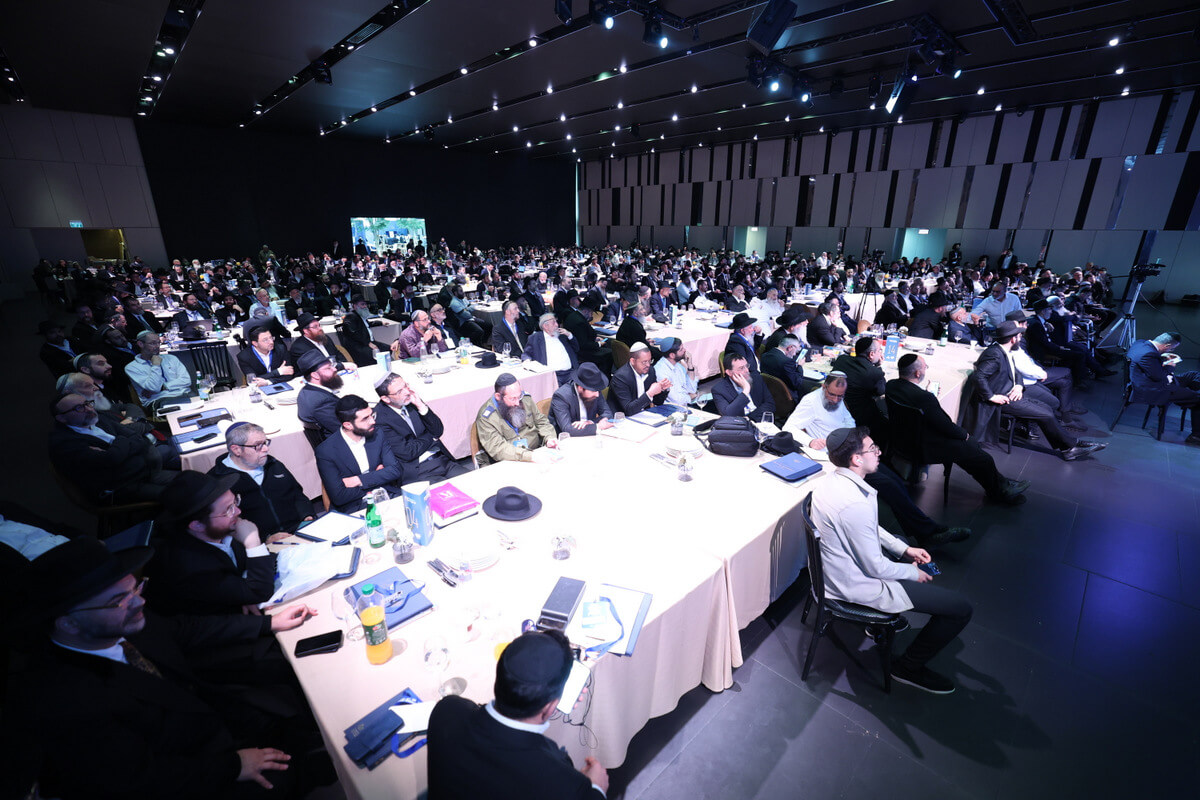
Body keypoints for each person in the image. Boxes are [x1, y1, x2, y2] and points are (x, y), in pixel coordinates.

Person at [9, 537, 324, 800]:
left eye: (136, 588)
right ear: (68, 623)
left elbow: (187, 629)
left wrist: (269, 623)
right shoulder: (63, 702)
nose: (139, 602)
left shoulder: (119, 622)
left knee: (293, 708)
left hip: (204, 719)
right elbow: (138, 781)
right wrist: (233, 766)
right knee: (281, 780)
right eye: (118, 600)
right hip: (190, 771)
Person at [810, 427, 974, 694]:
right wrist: (912, 573)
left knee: (898, 538)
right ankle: (907, 667)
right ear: (856, 459)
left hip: (837, 568)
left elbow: (867, 527)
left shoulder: (833, 480)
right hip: (853, 583)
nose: (878, 452)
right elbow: (874, 566)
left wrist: (904, 550)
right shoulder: (854, 503)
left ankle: (880, 625)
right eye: (872, 449)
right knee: (960, 608)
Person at [785, 374, 969, 546]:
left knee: (896, 480)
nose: (835, 400)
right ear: (824, 387)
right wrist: (810, 441)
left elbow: (848, 420)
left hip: (851, 450)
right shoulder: (810, 402)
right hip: (835, 459)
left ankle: (927, 530)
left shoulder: (837, 400)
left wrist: (851, 437)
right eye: (832, 395)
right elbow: (788, 428)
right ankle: (928, 533)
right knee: (889, 486)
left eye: (840, 396)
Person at [427, 629, 608, 799]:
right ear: (549, 708)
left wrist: (544, 706)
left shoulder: (447, 711)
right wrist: (597, 789)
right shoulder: (565, 784)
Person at [886, 354, 1030, 504]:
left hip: (903, 439)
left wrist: (927, 395)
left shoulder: (891, 386)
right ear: (917, 373)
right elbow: (945, 424)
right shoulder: (925, 398)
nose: (925, 370)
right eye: (924, 367)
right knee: (980, 455)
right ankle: (998, 492)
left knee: (971, 453)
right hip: (925, 446)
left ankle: (1001, 485)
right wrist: (964, 435)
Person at [146, 471, 280, 616]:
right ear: (197, 525)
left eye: (235, 502)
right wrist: (253, 544)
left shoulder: (221, 530)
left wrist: (241, 592)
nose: (238, 511)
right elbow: (260, 592)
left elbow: (249, 567)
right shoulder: (188, 565)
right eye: (228, 509)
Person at [973, 322, 1105, 461]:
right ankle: (1070, 448)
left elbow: (1016, 372)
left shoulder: (1006, 350)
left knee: (1047, 408)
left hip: (1012, 393)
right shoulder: (994, 354)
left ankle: (1070, 444)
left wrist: (1018, 386)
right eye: (1019, 336)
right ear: (1012, 339)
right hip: (1003, 399)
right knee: (1046, 414)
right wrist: (992, 396)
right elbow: (979, 377)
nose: (1021, 338)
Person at [49, 392, 179, 503]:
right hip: (122, 486)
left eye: (87, 403)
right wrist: (122, 441)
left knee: (184, 466)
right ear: (61, 418)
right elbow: (111, 459)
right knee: (179, 493)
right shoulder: (64, 444)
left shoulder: (97, 418)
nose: (88, 409)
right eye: (79, 408)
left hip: (143, 469)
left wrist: (117, 447)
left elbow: (137, 438)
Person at [208, 422, 314, 536]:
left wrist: (307, 515)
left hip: (298, 530)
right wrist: (264, 539)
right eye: (258, 445)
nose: (266, 449)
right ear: (236, 450)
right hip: (259, 541)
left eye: (265, 442)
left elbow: (297, 494)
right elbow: (223, 527)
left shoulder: (274, 465)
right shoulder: (218, 480)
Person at [373, 373, 468, 483]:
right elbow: (407, 452)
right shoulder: (380, 419)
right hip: (418, 471)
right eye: (399, 391)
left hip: (441, 460)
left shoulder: (411, 401)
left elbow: (438, 430)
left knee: (472, 483)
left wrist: (421, 406)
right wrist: (432, 437)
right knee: (447, 493)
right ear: (386, 398)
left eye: (405, 386)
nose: (407, 392)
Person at [315, 395, 403, 513]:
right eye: (365, 419)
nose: (373, 421)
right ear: (348, 425)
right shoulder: (326, 451)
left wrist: (358, 480)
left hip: (386, 495)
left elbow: (395, 470)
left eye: (372, 415)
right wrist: (378, 476)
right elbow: (339, 496)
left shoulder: (377, 434)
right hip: (353, 506)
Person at [1127, 332, 1200, 445]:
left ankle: (1189, 398)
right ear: (1167, 345)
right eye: (1172, 348)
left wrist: (1162, 360)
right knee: (1198, 400)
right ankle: (1196, 436)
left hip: (1157, 381)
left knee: (1193, 375)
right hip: (1154, 389)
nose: (1171, 350)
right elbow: (1159, 377)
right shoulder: (1148, 354)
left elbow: (1152, 369)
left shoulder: (1140, 343)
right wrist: (1170, 366)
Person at [475, 373, 558, 466]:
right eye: (513, 399)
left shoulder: (525, 399)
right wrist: (530, 456)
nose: (518, 403)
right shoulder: (486, 418)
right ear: (498, 397)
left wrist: (549, 437)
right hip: (508, 462)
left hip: (536, 452)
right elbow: (498, 449)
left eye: (519, 396)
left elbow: (541, 421)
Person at [831, 336, 888, 439]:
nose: (881, 353)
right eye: (880, 350)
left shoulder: (842, 359)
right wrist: (878, 366)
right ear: (871, 354)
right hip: (859, 417)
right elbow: (882, 391)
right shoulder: (874, 373)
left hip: (834, 408)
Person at [126, 330, 193, 406]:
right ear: (140, 344)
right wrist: (156, 365)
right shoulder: (132, 367)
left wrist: (163, 387)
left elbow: (186, 380)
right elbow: (154, 387)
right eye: (153, 343)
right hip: (159, 400)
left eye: (158, 342)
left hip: (185, 394)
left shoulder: (171, 358)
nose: (157, 346)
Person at [549, 362, 614, 436]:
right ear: (580, 388)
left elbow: (608, 414)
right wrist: (597, 426)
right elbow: (567, 429)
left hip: (591, 435)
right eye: (593, 391)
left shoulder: (595, 391)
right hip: (567, 439)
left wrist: (591, 422)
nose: (597, 395)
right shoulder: (561, 396)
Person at [610, 342, 671, 415]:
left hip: (644, 415)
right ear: (632, 361)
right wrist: (650, 393)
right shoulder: (620, 377)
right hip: (623, 418)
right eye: (644, 362)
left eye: (650, 361)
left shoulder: (650, 371)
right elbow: (629, 410)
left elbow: (657, 402)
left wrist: (662, 390)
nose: (648, 365)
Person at [713, 353, 775, 422]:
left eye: (747, 366)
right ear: (729, 372)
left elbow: (770, 404)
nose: (747, 370)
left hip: (760, 420)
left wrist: (749, 418)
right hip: (739, 426)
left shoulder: (757, 378)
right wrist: (745, 390)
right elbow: (727, 415)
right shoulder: (719, 390)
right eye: (741, 368)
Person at [522, 312, 579, 386]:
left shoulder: (562, 335)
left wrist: (569, 335)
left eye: (556, 322)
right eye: (553, 322)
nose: (557, 325)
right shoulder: (535, 338)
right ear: (545, 326)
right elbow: (526, 354)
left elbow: (576, 348)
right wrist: (527, 361)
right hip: (553, 376)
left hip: (570, 373)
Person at [296, 350, 343, 438]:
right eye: (328, 368)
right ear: (315, 375)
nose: (335, 369)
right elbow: (344, 430)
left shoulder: (304, 392)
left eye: (332, 366)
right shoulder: (322, 402)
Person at [654, 337, 700, 406]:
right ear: (672, 355)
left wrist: (690, 365)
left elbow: (692, 389)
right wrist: (690, 397)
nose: (685, 350)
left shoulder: (678, 365)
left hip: (686, 404)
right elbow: (677, 400)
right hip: (672, 408)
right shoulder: (661, 371)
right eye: (681, 349)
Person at [340, 296, 382, 366]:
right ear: (355, 306)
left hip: (367, 342)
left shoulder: (360, 314)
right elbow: (353, 333)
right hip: (358, 346)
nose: (365, 306)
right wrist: (368, 343)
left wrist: (380, 322)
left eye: (365, 304)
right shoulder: (350, 316)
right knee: (375, 354)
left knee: (389, 348)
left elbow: (366, 324)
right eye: (362, 304)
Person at [761, 335, 805, 400]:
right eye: (796, 350)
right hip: (785, 397)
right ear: (790, 347)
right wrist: (800, 366)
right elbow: (797, 384)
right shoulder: (787, 362)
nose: (795, 354)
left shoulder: (764, 355)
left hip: (767, 394)